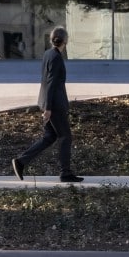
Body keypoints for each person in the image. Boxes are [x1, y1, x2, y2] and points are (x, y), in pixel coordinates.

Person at [11, 25, 82, 183]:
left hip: (47, 101)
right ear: (65, 41)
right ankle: (65, 173)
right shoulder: (56, 57)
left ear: (52, 40)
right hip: (54, 105)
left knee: (50, 137)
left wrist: (46, 105)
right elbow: (51, 82)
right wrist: (49, 108)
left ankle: (21, 162)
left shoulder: (48, 54)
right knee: (65, 136)